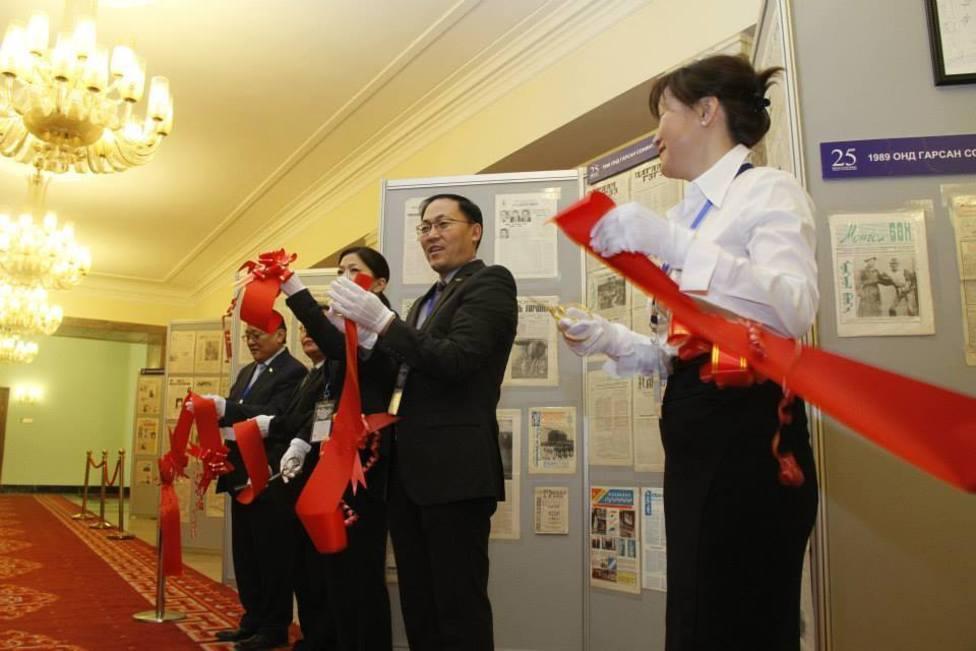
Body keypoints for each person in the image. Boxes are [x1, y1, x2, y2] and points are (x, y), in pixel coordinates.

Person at [559, 55, 819, 651]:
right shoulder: (686, 212)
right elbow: (687, 346)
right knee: (697, 606)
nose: (656, 134)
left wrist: (675, 245)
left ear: (706, 111)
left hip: (751, 427)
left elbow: (793, 307)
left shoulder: (766, 191)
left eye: (664, 114)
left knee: (741, 612)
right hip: (695, 421)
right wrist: (614, 340)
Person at [327, 194, 517, 650]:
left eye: (442, 224)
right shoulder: (426, 302)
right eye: (424, 227)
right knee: (419, 604)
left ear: (475, 231)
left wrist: (385, 324)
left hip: (454, 474)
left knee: (458, 607)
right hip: (409, 475)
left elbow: (457, 360)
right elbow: (406, 373)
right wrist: (367, 338)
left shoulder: (490, 282)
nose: (431, 235)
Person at [280, 246, 398, 651]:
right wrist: (302, 441)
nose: (344, 278)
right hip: (332, 461)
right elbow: (326, 398)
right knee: (333, 567)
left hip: (366, 462)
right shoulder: (344, 331)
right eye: (340, 271)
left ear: (378, 284)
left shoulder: (382, 331)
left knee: (360, 571)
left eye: (354, 271)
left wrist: (294, 291)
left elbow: (336, 348)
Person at [208, 319, 307, 650]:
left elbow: (274, 415)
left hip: (269, 478)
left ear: (280, 335)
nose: (251, 341)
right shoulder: (247, 372)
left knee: (272, 556)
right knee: (246, 555)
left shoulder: (292, 372)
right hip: (240, 475)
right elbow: (235, 415)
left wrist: (228, 408)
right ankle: (252, 619)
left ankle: (274, 626)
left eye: (258, 334)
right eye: (248, 335)